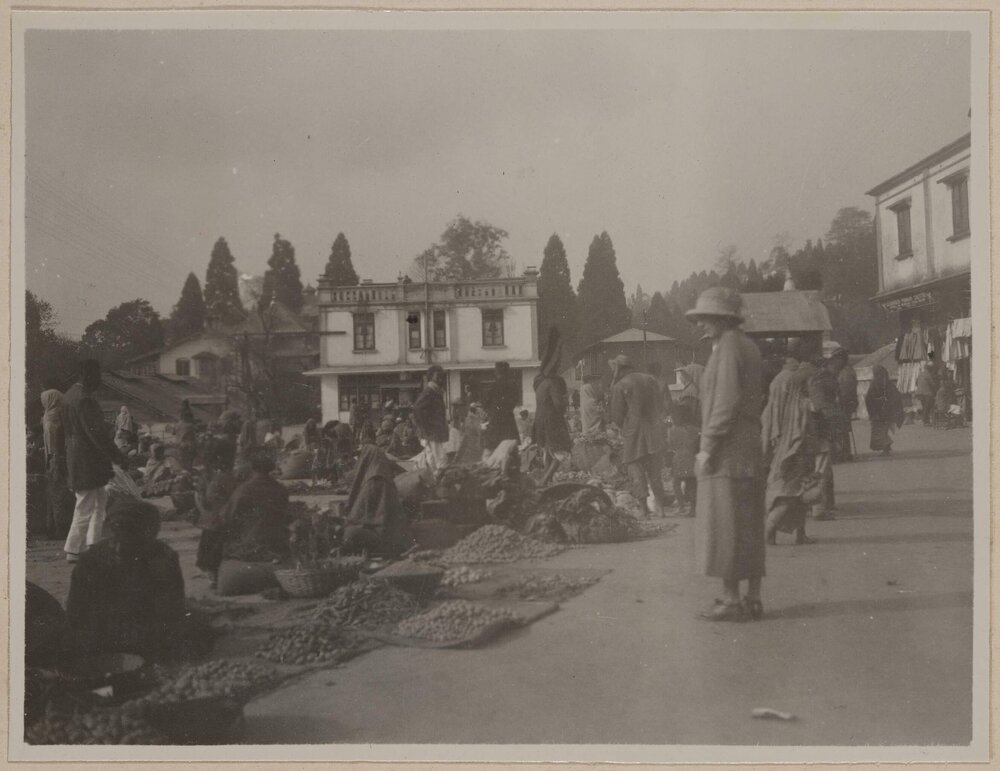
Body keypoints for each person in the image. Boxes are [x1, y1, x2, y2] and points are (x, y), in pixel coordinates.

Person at [685, 287, 765, 622]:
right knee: (748, 524)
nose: (701, 324)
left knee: (726, 525)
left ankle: (731, 599)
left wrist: (707, 447)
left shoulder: (728, 347)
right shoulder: (747, 346)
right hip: (747, 447)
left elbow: (725, 403)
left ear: (722, 318)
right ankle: (753, 599)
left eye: (705, 318)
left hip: (728, 451)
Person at [66, 499, 186, 659]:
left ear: (149, 534)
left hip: (147, 629)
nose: (121, 545)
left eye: (131, 536)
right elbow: (77, 613)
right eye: (117, 535)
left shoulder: (163, 557)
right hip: (106, 633)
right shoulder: (91, 561)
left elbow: (174, 607)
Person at [62, 359, 126, 564]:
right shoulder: (85, 399)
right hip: (89, 461)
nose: (99, 380)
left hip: (78, 458)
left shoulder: (68, 396)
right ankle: (74, 549)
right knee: (86, 505)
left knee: (99, 503)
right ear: (87, 374)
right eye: (96, 375)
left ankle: (93, 545)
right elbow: (96, 434)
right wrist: (117, 456)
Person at [212, 450, 292, 596]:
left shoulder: (243, 490)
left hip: (249, 547)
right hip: (276, 547)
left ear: (251, 467)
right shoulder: (281, 490)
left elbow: (224, 519)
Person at [760, 351, 816, 546]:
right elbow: (803, 428)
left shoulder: (776, 389)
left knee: (795, 492)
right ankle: (768, 531)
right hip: (792, 450)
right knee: (789, 492)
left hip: (781, 446)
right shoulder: (798, 405)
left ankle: (799, 534)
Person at [609, 354, 670, 517]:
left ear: (618, 369)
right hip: (655, 429)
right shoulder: (651, 380)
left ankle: (643, 509)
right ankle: (661, 508)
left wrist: (625, 426)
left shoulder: (620, 385)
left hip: (634, 432)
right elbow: (660, 404)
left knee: (635, 468)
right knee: (655, 472)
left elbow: (616, 415)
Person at [341, 445, 415, 559]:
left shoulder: (374, 481)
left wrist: (347, 519)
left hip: (383, 535)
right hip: (392, 534)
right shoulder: (386, 479)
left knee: (349, 533)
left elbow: (357, 515)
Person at [195, 437, 239, 588]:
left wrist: (203, 501)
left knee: (211, 548)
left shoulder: (209, 472)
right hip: (220, 517)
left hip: (212, 517)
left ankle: (214, 575)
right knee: (217, 547)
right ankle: (215, 575)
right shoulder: (226, 474)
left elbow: (200, 492)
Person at [533, 328, 573, 486]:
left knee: (549, 450)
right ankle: (544, 480)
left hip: (540, 420)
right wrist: (566, 398)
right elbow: (558, 405)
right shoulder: (553, 383)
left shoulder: (540, 383)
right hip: (552, 421)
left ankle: (546, 479)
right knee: (562, 451)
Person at [807, 355, 841, 520]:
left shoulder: (812, 385)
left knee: (820, 471)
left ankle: (821, 505)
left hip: (812, 437)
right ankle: (819, 509)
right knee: (820, 472)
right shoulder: (820, 386)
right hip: (819, 437)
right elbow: (825, 415)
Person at [412, 365, 450, 473]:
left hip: (431, 431)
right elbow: (417, 408)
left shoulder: (435, 391)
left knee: (431, 458)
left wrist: (424, 428)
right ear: (431, 377)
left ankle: (434, 478)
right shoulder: (430, 391)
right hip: (433, 431)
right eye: (438, 376)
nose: (440, 379)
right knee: (441, 459)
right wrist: (425, 426)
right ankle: (439, 479)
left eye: (441, 376)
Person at [667, 401, 699, 517]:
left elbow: (671, 445)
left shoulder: (672, 430)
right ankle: (693, 508)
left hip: (679, 459)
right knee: (691, 484)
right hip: (692, 458)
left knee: (676, 483)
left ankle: (681, 506)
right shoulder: (695, 429)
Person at [483, 362, 521, 454]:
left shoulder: (493, 387)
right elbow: (515, 401)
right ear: (508, 372)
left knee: (492, 449)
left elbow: (486, 404)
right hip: (508, 421)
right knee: (510, 449)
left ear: (496, 372)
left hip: (495, 420)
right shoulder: (513, 386)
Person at [865, 364, 905, 454]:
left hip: (879, 412)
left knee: (879, 430)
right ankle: (886, 447)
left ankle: (886, 447)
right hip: (884, 411)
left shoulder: (876, 384)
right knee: (882, 430)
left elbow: (869, 398)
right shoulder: (887, 383)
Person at [829, 348, 858, 461]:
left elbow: (846, 391)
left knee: (841, 428)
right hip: (846, 403)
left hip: (844, 404)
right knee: (842, 428)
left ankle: (844, 453)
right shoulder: (845, 371)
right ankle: (844, 452)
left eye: (836, 359)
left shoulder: (846, 372)